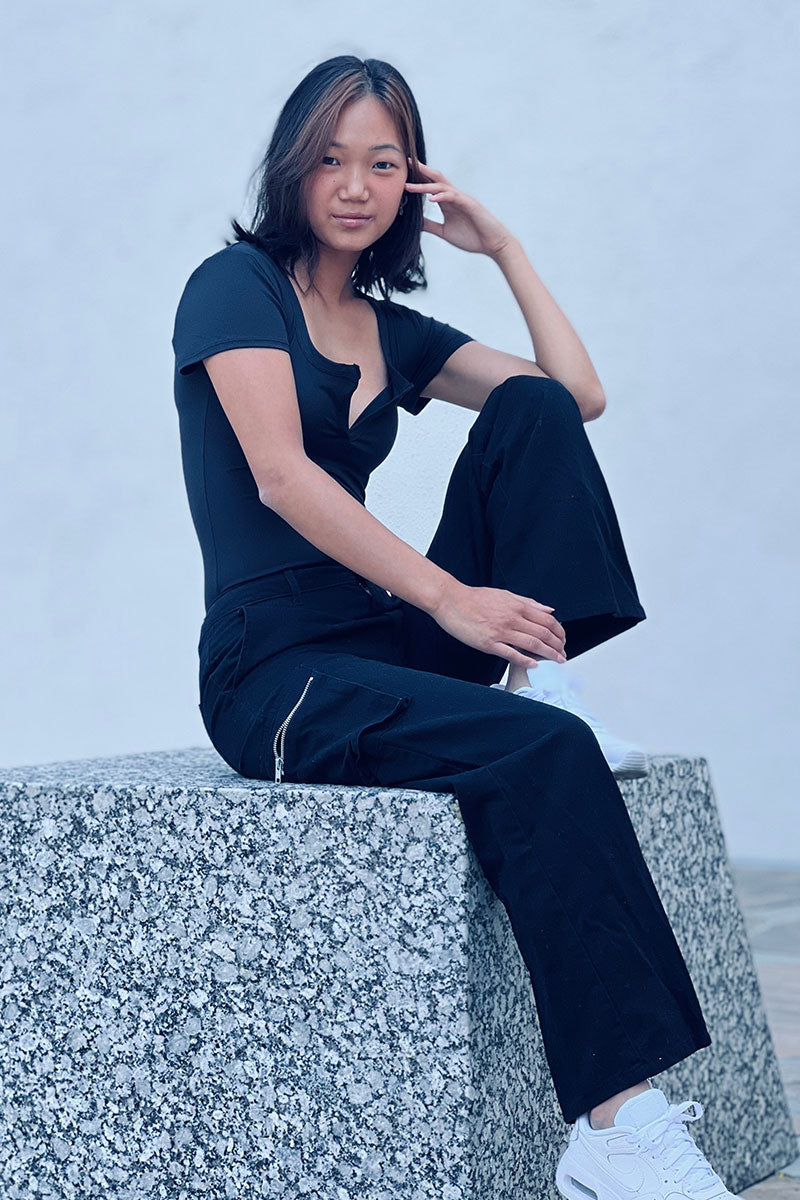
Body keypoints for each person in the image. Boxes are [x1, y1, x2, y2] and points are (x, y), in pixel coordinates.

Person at [171, 53, 741, 1200]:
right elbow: (280, 476)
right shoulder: (233, 287)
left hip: (377, 637)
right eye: (330, 159)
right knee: (545, 757)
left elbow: (574, 397)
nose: (354, 185)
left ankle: (546, 675)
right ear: (291, 167)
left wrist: (505, 250)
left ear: (410, 182)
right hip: (274, 671)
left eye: (382, 163)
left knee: (527, 408)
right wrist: (446, 597)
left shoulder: (388, 330)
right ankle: (615, 1130)